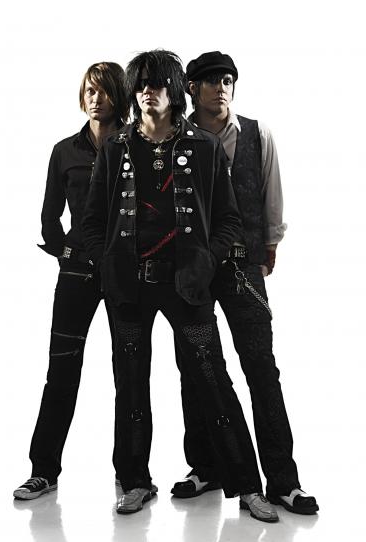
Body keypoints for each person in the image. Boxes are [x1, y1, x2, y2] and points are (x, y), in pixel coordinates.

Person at [82, 49, 278, 522]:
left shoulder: (204, 147)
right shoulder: (115, 147)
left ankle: (248, 487)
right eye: (141, 85)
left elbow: (229, 220)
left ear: (174, 92)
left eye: (157, 85)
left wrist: (206, 261)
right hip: (128, 288)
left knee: (213, 379)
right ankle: (134, 481)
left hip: (187, 284)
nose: (148, 92)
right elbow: (91, 221)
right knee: (130, 384)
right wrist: (107, 264)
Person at [171, 51, 319, 516]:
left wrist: (268, 243)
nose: (221, 88)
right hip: (192, 268)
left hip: (241, 265)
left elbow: (271, 191)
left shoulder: (257, 134)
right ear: (192, 88)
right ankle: (206, 466)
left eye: (228, 80)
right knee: (196, 368)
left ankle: (284, 481)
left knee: (261, 368)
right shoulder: (175, 137)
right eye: (212, 80)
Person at [13, 62, 129, 500]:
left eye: (103, 91)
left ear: (119, 95)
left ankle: (132, 474)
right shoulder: (64, 151)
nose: (95, 99)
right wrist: (64, 251)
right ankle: (43, 470)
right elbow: (49, 217)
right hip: (77, 272)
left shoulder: (136, 146)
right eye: (89, 91)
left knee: (129, 374)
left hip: (124, 274)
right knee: (61, 370)